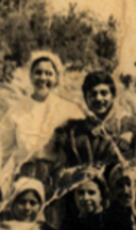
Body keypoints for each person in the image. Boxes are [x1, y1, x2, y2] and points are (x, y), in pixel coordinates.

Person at [0, 51, 82, 198]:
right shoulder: (16, 110)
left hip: (55, 181)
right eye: (38, 72)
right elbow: (2, 150)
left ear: (56, 77)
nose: (43, 78)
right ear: (30, 76)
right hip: (23, 182)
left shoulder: (69, 109)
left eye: (49, 73)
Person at [51, 71, 136, 182]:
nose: (98, 98)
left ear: (113, 96)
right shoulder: (74, 132)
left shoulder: (128, 125)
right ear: (86, 99)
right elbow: (57, 171)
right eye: (93, 94)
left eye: (104, 93)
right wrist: (75, 174)